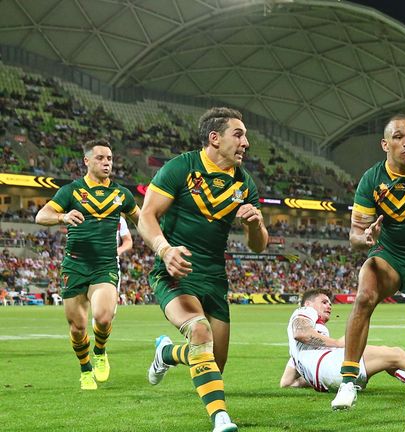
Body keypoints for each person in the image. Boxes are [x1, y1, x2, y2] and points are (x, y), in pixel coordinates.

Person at [139, 107, 268, 432]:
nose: (246, 143)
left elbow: (259, 245)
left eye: (246, 136)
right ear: (215, 138)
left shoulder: (244, 183)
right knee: (200, 333)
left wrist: (253, 225)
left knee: (212, 361)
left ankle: (167, 353)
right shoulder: (182, 167)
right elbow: (146, 216)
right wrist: (164, 250)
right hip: (175, 273)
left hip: (214, 279)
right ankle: (220, 419)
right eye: (238, 134)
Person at [331, 114, 405, 410]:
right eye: (398, 137)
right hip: (391, 254)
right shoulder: (372, 179)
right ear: (385, 144)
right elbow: (355, 237)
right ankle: (348, 381)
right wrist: (366, 238)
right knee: (364, 298)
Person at [34, 138, 140, 390]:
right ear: (87, 161)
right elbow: (41, 216)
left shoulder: (121, 194)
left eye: (110, 159)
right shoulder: (71, 191)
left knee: (103, 318)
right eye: (101, 158)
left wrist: (163, 243)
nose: (107, 163)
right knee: (77, 327)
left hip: (105, 265)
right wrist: (63, 215)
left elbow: (142, 220)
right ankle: (85, 369)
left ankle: (100, 351)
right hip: (75, 266)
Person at [280, 289, 405, 393]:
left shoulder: (298, 351)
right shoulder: (303, 312)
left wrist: (317, 381)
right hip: (332, 367)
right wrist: (339, 344)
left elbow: (286, 383)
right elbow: (301, 332)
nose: (329, 306)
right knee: (394, 354)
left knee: (389, 360)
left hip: (327, 378)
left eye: (330, 303)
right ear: (308, 303)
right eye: (324, 302)